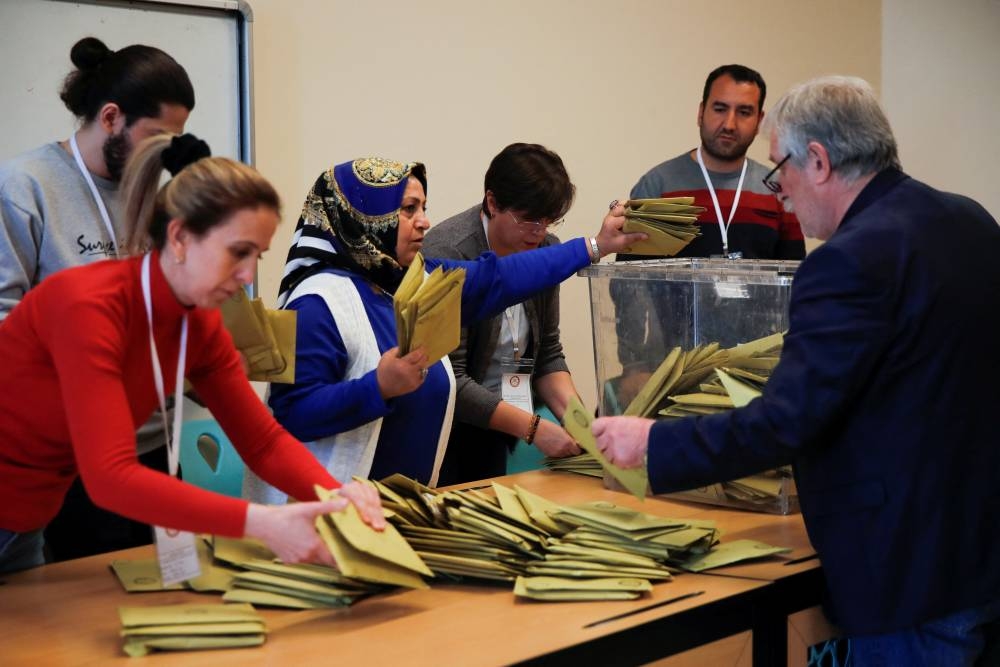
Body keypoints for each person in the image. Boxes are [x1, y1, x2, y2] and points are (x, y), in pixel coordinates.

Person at [594, 76, 1000, 665]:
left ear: (818, 160)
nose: (777, 186)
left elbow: (786, 422)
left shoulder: (846, 262)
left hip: (908, 571)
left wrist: (657, 442)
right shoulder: (970, 221)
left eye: (778, 165)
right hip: (981, 550)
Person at [0, 134, 385, 576]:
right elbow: (110, 478)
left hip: (25, 522)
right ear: (180, 237)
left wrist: (335, 495)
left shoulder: (198, 322)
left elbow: (262, 441)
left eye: (257, 256)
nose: (246, 276)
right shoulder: (88, 307)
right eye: (238, 253)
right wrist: (263, 522)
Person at [246, 157, 643, 503]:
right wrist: (378, 387)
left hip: (395, 512)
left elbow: (498, 278)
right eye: (407, 209)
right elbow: (290, 416)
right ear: (364, 217)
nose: (425, 221)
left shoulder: (412, 281)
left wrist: (594, 247)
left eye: (423, 207)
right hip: (322, 520)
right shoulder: (313, 302)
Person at [0, 36, 195, 561]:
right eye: (157, 136)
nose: (166, 153)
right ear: (111, 118)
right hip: (71, 458)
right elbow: (7, 326)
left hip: (154, 443)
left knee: (156, 594)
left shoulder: (154, 195)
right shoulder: (25, 185)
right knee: (72, 615)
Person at [613, 65, 806, 408]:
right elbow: (630, 287)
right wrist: (635, 365)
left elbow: (797, 286)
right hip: (675, 374)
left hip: (759, 377)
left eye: (743, 112)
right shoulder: (659, 187)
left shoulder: (777, 191)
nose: (729, 123)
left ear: (759, 120)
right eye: (720, 108)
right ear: (701, 111)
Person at [423, 143, 586, 485]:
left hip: (514, 417)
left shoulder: (545, 249)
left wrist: (581, 424)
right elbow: (452, 379)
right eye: (528, 219)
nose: (539, 232)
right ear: (492, 203)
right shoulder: (448, 252)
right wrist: (535, 429)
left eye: (549, 220)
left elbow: (548, 354)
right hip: (454, 432)